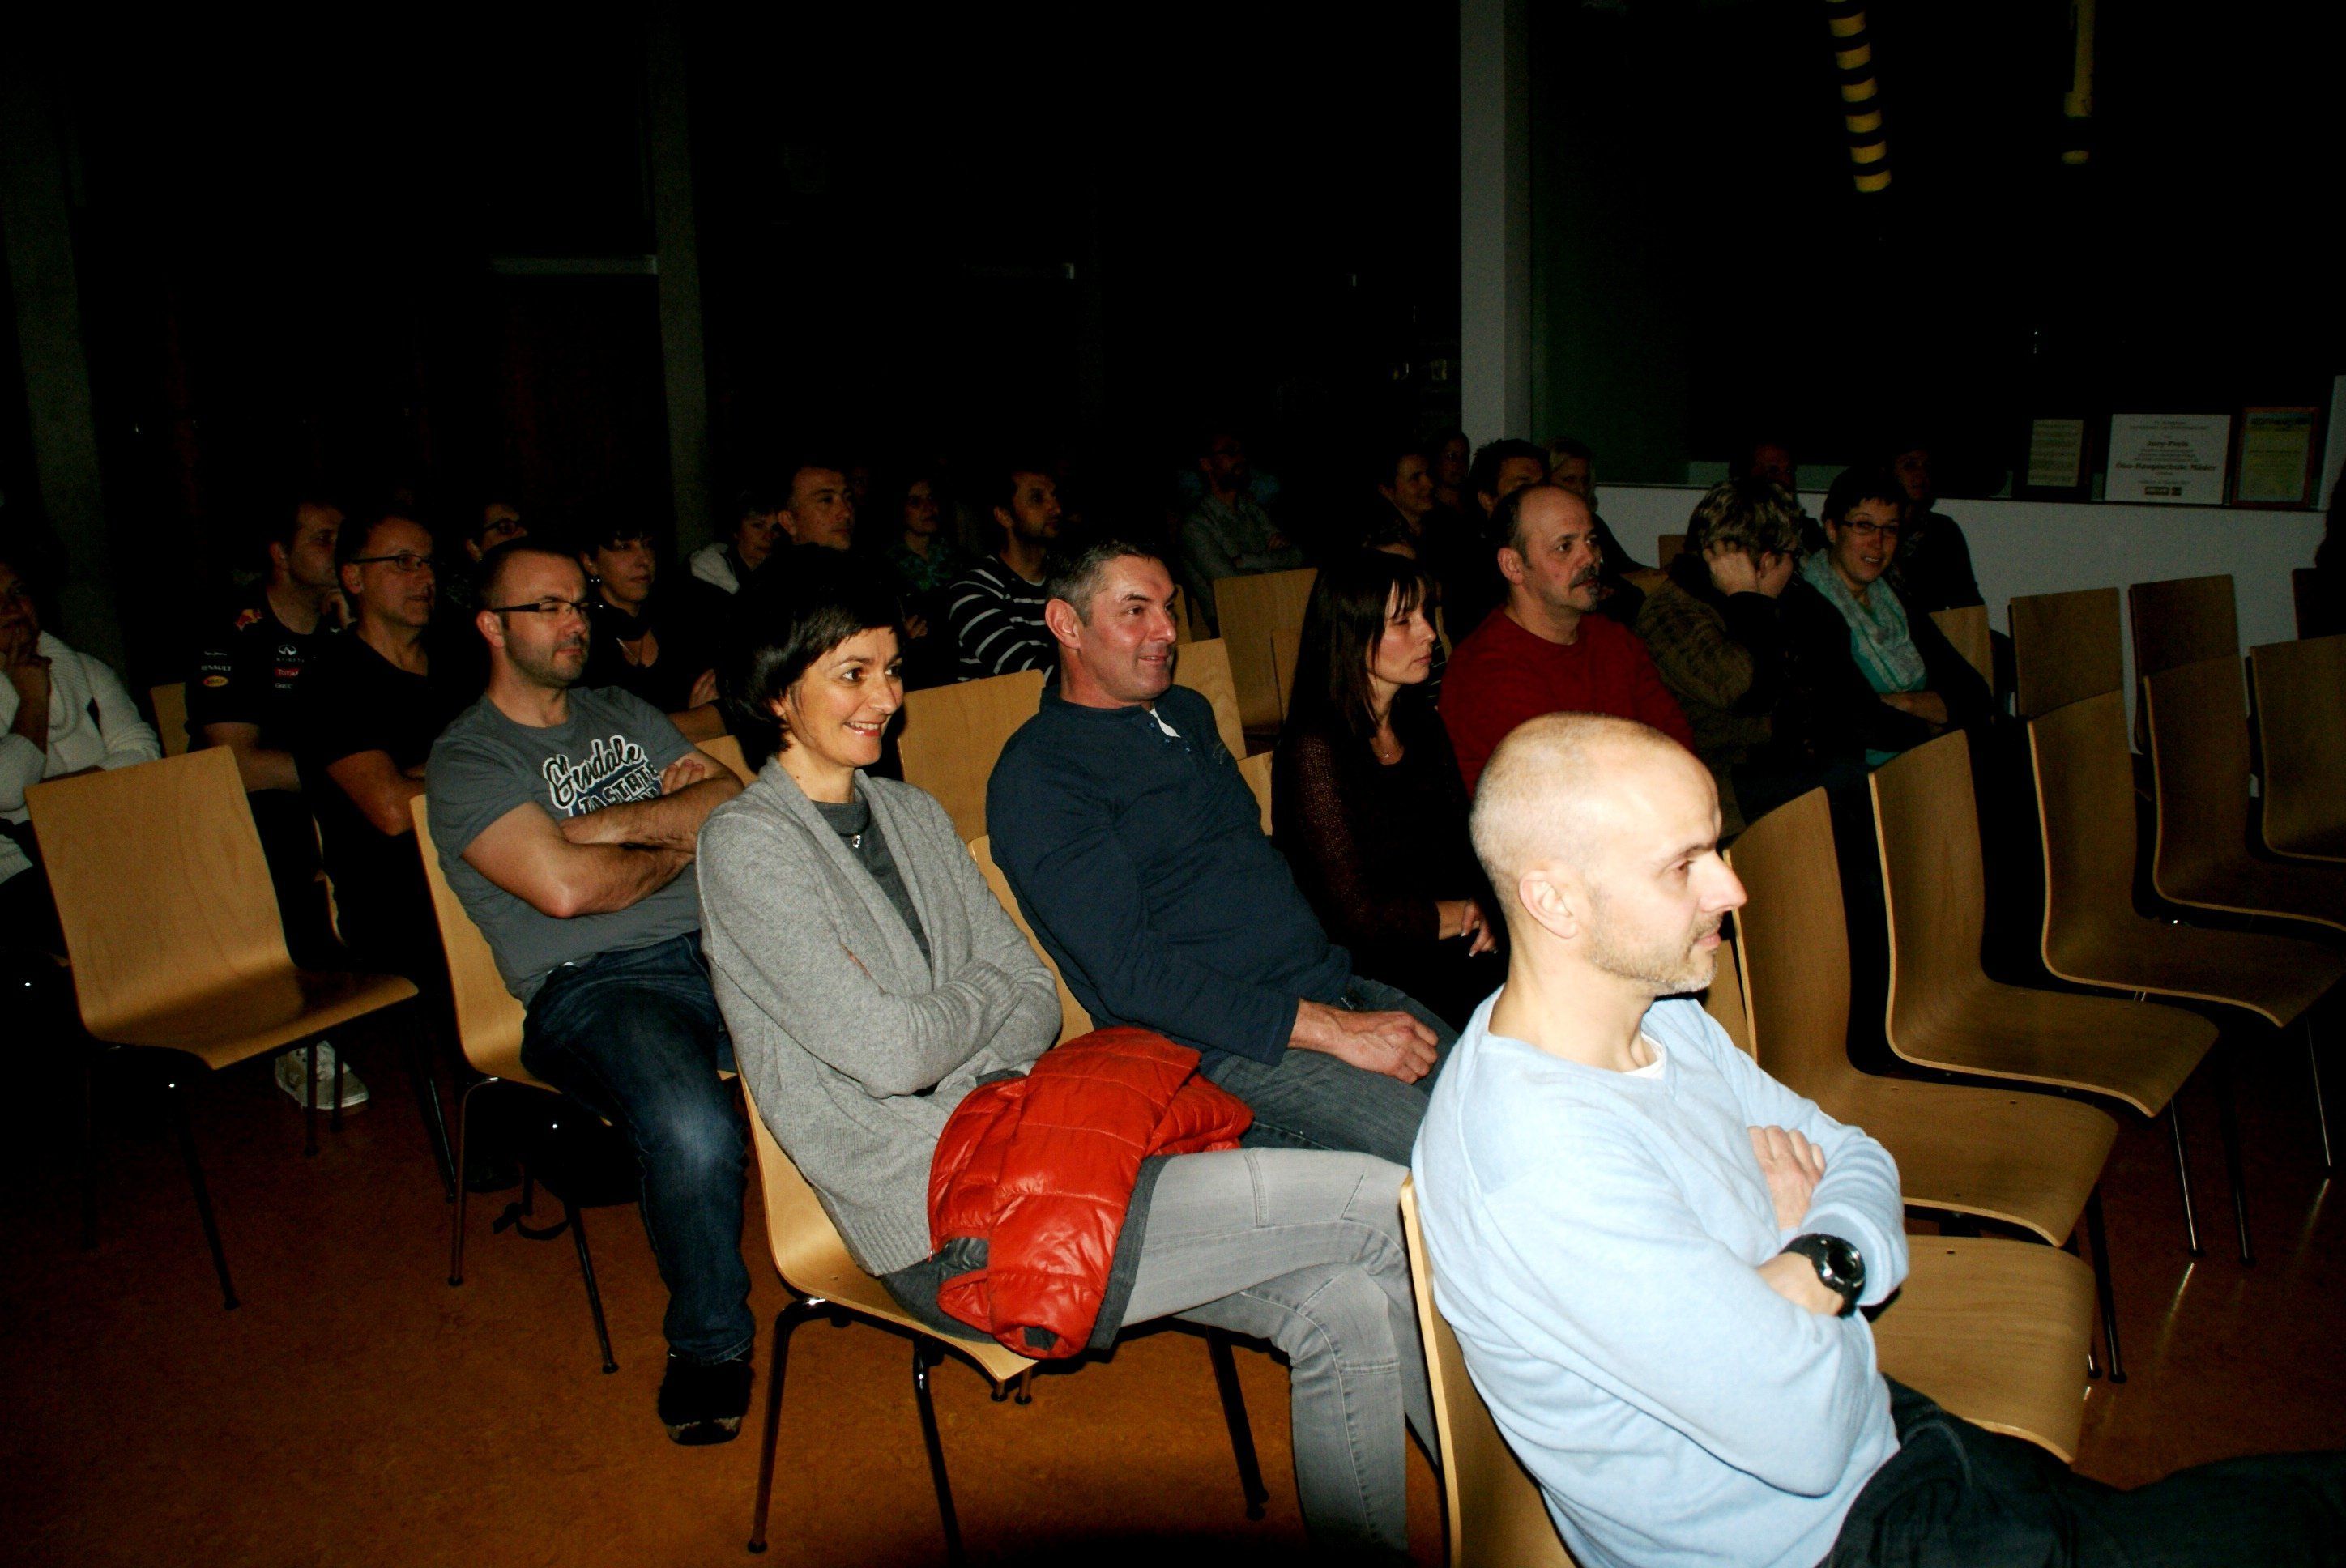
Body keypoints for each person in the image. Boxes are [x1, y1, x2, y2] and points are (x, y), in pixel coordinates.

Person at [1415, 713, 2346, 1568]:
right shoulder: (1538, 1160)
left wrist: (1806, 1267)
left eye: (1718, 847)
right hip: (1820, 1540)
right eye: (1684, 864)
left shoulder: (1665, 1022)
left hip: (1888, 1436)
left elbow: (1859, 1157)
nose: (1732, 888)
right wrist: (1810, 1251)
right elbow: (1805, 1434)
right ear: (1556, 900)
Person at [696, 575, 1431, 1554]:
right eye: (852, 674)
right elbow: (890, 1052)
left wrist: (949, 1021)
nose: (886, 698)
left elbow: (1032, 997)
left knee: (1348, 1305)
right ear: (775, 693)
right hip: (939, 1215)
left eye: (893, 670)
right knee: (1382, 1205)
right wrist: (969, 1009)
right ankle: (1525, 1507)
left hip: (1045, 1150)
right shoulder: (747, 848)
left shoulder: (909, 814)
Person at [426, 540, 754, 1446]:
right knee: (693, 1129)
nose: (575, 622)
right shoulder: (467, 759)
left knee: (888, 1023)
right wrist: (677, 834)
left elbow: (732, 801)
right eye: (547, 607)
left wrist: (594, 829)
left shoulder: (622, 710)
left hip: (724, 943)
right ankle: (709, 1346)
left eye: (580, 604)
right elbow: (567, 893)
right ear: (491, 626)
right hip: (598, 984)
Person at [987, 541, 1455, 1167]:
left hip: (1331, 988)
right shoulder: (1042, 776)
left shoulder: (1188, 712)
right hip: (1222, 1053)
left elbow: (1258, 867)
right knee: (1448, 1160)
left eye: (1169, 608)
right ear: (1066, 624)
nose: (1166, 631)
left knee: (1514, 1105)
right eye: (1135, 611)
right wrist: (1331, 1030)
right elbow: (1134, 978)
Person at [1274, 552, 1498, 1028]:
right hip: (1380, 968)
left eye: (1425, 614)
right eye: (1403, 621)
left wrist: (1490, 905)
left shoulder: (1421, 723)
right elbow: (1354, 917)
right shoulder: (1314, 749)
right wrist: (1470, 912)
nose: (1430, 633)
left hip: (1457, 939)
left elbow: (1466, 842)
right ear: (1351, 636)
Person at [1440, 483, 1694, 792]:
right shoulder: (1485, 669)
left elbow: (1678, 749)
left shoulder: (1614, 640)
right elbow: (1561, 794)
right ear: (1513, 566)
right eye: (1564, 547)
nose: (1590, 558)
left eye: (1592, 541)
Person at [188, 493, 348, 958]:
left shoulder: (346, 624)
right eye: (323, 539)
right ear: (281, 553)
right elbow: (237, 765)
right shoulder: (233, 628)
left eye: (345, 538)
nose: (340, 550)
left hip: (330, 802)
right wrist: (353, 772)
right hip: (259, 822)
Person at [1, 548, 160, 952]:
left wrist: (45, 797)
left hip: (117, 844)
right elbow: (7, 787)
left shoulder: (86, 669)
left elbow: (143, 754)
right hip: (23, 873)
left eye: (18, 591)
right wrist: (32, 699)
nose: (11, 608)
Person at [1633, 478, 1808, 837]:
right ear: (1765, 560)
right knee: (1841, 786)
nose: (1796, 567)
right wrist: (1748, 599)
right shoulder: (1671, 613)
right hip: (1715, 780)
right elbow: (1740, 690)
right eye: (1792, 555)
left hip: (1765, 765)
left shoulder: (1761, 604)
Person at [1792, 467, 1989, 769]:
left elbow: (1976, 694)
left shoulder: (1896, 600)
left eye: (1891, 529)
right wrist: (1933, 720)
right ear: (1832, 530)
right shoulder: (1808, 608)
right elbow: (1862, 723)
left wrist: (1906, 702)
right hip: (1859, 774)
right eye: (1864, 526)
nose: (1878, 542)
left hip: (1923, 757)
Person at [574, 513, 723, 740]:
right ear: (590, 562)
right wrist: (691, 720)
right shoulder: (581, 634)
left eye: (647, 545)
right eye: (624, 547)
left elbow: (726, 710)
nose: (643, 559)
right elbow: (603, 734)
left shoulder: (680, 618)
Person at [1176, 430, 1303, 636]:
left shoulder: (1252, 510)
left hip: (1278, 611)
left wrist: (1246, 560)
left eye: (1242, 452)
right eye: (1230, 452)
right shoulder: (1196, 525)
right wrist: (1276, 563)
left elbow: (1297, 557)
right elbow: (1233, 586)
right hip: (1236, 629)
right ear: (1206, 464)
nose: (1241, 459)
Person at [945, 463, 1060, 680]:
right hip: (1001, 703)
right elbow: (1029, 675)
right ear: (1005, 516)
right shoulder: (972, 589)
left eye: (1054, 496)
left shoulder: (1067, 581)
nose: (1055, 508)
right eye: (1037, 498)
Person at [879, 467, 969, 687]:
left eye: (931, 499)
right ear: (900, 509)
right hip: (914, 672)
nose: (928, 508)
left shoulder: (960, 559)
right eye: (915, 502)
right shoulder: (884, 567)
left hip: (961, 667)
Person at [1883, 441, 1984, 612]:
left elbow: (1966, 601)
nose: (1921, 474)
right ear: (1888, 472)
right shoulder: (1871, 530)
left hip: (1928, 627)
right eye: (1910, 465)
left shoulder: (1943, 531)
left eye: (1927, 466)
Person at [688, 489, 783, 602]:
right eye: (758, 526)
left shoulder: (779, 573)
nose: (768, 536)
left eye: (775, 529)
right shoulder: (708, 575)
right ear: (736, 531)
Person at [1428, 428, 1471, 516]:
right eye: (1452, 457)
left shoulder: (1477, 504)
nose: (1460, 463)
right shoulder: (1426, 508)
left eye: (1464, 457)